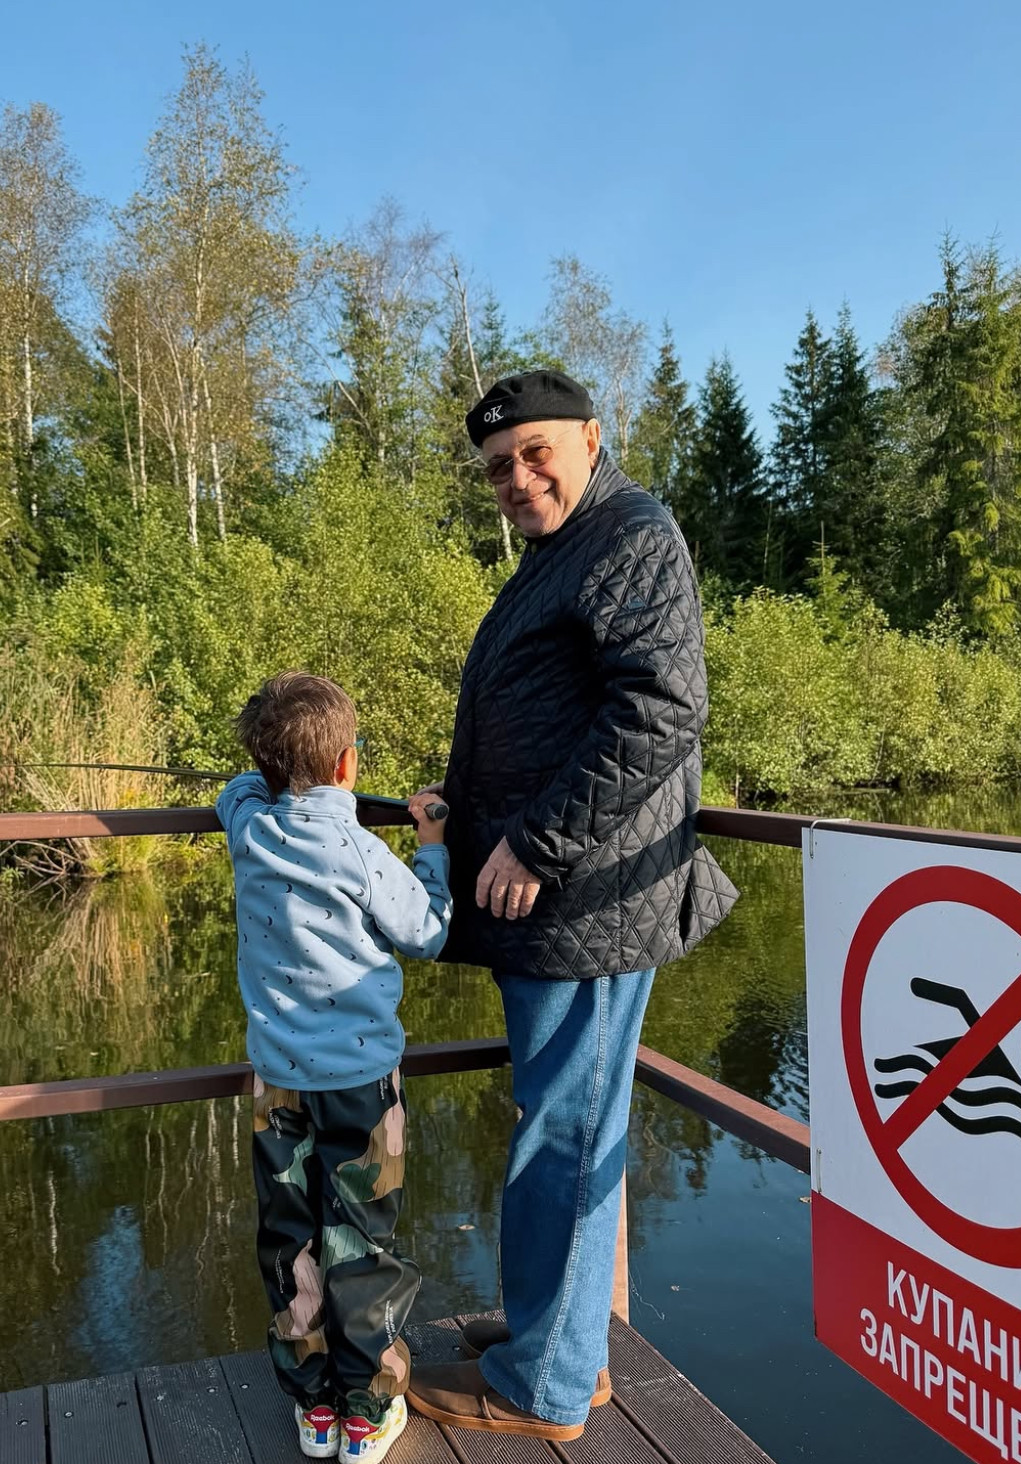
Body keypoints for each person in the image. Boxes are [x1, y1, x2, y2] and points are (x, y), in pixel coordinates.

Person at [406, 370, 738, 1443]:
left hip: (584, 897)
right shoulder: (565, 552)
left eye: (536, 451)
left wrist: (538, 840)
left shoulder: (631, 534)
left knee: (568, 1131)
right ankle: (561, 1334)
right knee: (557, 1121)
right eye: (500, 466)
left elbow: (662, 710)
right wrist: (462, 813)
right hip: (553, 902)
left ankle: (545, 1383)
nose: (518, 476)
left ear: (593, 440)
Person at [216, 671, 452, 1462]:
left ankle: (313, 1406)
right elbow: (425, 930)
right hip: (360, 1086)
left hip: (276, 1081)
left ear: (268, 766)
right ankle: (367, 1408)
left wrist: (268, 769)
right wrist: (432, 846)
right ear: (350, 766)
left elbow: (237, 790)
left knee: (290, 1239)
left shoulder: (251, 829)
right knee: (361, 1238)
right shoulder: (360, 849)